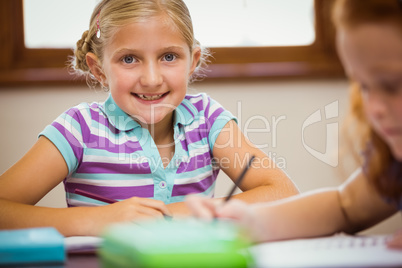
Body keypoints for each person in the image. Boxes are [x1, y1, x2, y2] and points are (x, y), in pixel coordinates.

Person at [0, 0, 299, 237]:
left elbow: (283, 193)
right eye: (129, 59)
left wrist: (171, 216)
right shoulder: (79, 128)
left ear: (192, 62)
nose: (152, 79)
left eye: (169, 56)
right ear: (99, 69)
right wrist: (95, 220)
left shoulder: (208, 119)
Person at [186, 0, 402, 248]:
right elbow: (345, 206)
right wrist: (249, 220)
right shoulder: (393, 164)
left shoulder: (206, 116)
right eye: (363, 86)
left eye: (391, 85)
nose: (372, 107)